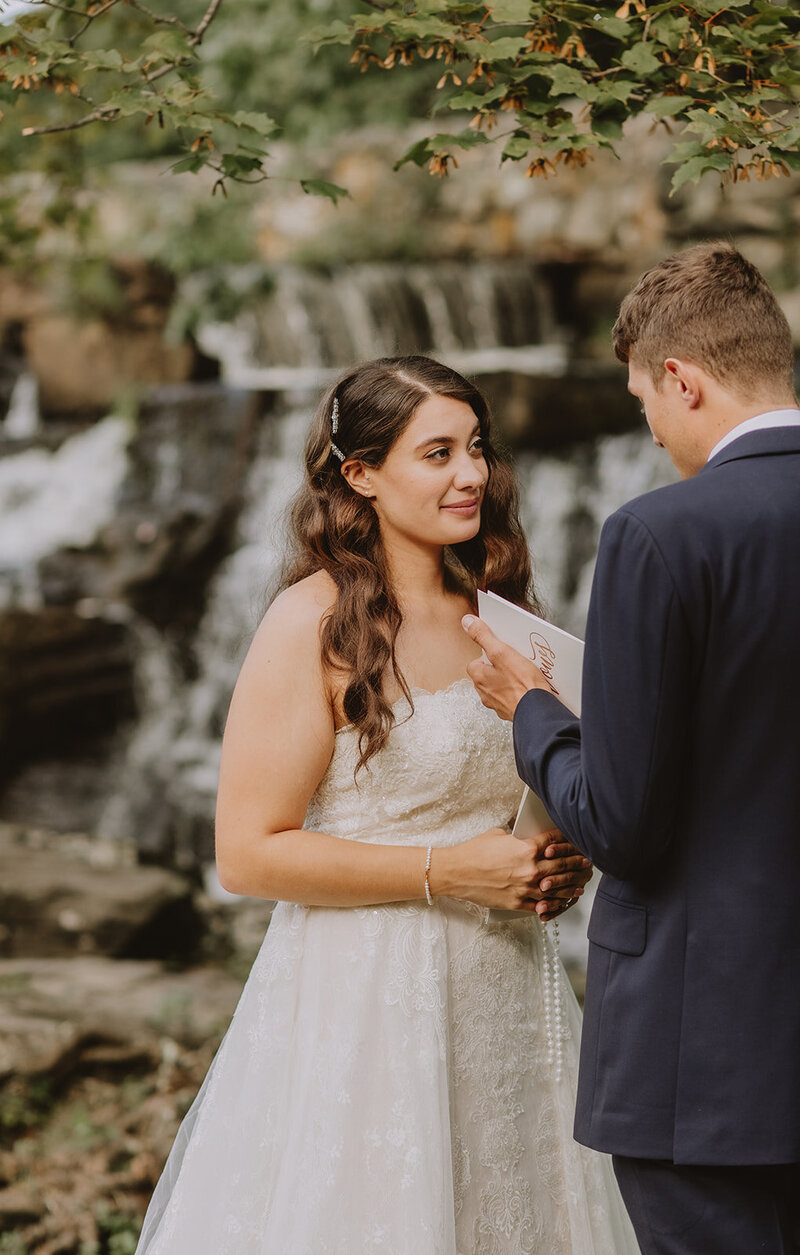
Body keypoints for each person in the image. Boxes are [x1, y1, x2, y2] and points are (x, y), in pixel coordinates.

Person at [134, 355, 639, 1254]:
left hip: (510, 994)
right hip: (367, 999)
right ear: (360, 475)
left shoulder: (501, 616)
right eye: (437, 452)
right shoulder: (311, 621)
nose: (472, 473)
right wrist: (450, 870)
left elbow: (536, 784)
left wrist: (556, 855)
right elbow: (248, 852)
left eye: (476, 447)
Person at [463, 243, 800, 1255]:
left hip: (705, 1054)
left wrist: (531, 712)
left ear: (679, 380)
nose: (649, 434)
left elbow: (622, 823)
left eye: (642, 405)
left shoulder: (660, 535)